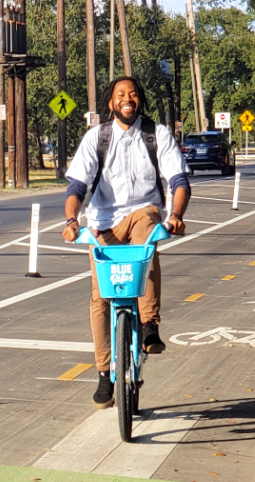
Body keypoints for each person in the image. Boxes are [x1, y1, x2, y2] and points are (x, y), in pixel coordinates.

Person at [62, 76, 191, 409]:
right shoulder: (97, 138)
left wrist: (175, 214)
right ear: (111, 103)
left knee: (147, 234)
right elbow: (77, 187)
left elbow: (178, 180)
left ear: (139, 100)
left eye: (133, 94)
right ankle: (105, 374)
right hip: (104, 222)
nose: (127, 99)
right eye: (121, 95)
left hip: (141, 213)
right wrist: (72, 221)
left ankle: (149, 325)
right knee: (100, 297)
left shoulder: (156, 134)